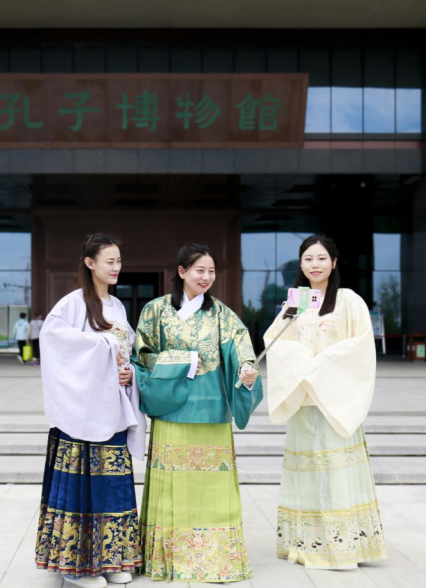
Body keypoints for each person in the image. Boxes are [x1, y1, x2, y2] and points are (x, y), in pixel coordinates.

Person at [132, 243, 262, 583]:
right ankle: (169, 559)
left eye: (211, 271)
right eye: (199, 270)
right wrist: (185, 360)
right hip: (171, 410)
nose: (206, 277)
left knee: (213, 488)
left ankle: (216, 559)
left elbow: (241, 348)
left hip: (212, 410)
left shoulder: (222, 314)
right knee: (173, 485)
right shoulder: (155, 311)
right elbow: (142, 356)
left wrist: (246, 370)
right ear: (182, 272)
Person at [264, 235, 387, 569]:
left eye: (321, 258)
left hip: (335, 400)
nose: (314, 265)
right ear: (301, 264)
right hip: (304, 399)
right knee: (306, 473)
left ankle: (343, 546)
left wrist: (321, 362)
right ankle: (307, 543)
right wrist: (304, 362)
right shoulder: (295, 303)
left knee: (336, 471)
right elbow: (275, 341)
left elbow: (360, 346)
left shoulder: (348, 301)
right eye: (308, 259)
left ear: (334, 262)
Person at [36, 234, 146, 588]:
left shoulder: (117, 306)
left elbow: (127, 351)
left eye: (119, 261)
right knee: (80, 489)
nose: (116, 267)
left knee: (113, 486)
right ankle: (77, 566)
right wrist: (105, 345)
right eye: (110, 261)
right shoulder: (70, 305)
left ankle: (112, 559)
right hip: (81, 412)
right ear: (90, 263)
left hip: (113, 410)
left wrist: (129, 372)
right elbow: (55, 344)